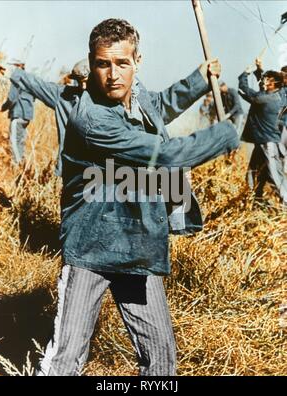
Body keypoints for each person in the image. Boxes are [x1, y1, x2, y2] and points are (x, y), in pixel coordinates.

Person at [36, 18, 238, 376]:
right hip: (90, 247)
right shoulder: (92, 121)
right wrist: (223, 134)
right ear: (91, 62)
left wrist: (197, 79)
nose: (113, 75)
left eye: (122, 63)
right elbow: (169, 154)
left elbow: (159, 104)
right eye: (103, 64)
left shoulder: (136, 92)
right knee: (65, 360)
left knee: (161, 361)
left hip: (136, 243)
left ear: (137, 61)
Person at [7, 59, 90, 176]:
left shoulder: (113, 100)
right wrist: (14, 72)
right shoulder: (64, 96)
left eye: (87, 81)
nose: (83, 86)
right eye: (79, 81)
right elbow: (37, 84)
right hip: (69, 174)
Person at [239, 66, 287, 205]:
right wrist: (259, 70)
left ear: (273, 84)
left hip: (268, 143)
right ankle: (253, 201)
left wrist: (245, 73)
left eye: (266, 80)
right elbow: (255, 93)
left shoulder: (267, 99)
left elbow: (246, 92)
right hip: (263, 143)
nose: (263, 82)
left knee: (275, 175)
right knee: (253, 173)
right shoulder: (274, 95)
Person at [0, 59, 35, 165]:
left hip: (18, 115)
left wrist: (4, 107)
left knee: (14, 142)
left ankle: (18, 167)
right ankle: (23, 165)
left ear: (16, 66)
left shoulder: (16, 78)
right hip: (26, 116)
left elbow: (12, 98)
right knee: (20, 142)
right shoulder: (27, 79)